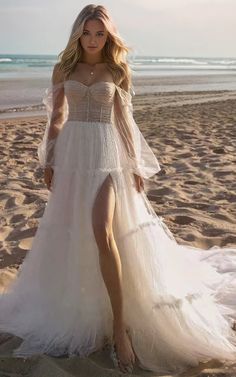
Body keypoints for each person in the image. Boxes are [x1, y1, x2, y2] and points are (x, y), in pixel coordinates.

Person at [1, 3, 236, 376]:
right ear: (78, 33)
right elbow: (56, 117)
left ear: (108, 36)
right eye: (88, 32)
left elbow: (125, 121)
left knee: (102, 229)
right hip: (73, 157)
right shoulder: (63, 68)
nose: (94, 39)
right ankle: (93, 306)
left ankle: (119, 326)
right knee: (77, 232)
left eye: (101, 34)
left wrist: (136, 165)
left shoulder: (118, 69)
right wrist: (49, 160)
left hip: (109, 157)